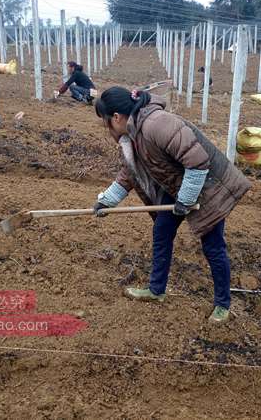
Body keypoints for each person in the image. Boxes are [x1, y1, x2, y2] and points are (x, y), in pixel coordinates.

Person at [92, 87, 251, 323]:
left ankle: (222, 305)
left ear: (116, 117)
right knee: (162, 231)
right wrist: (107, 201)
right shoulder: (133, 134)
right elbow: (129, 172)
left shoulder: (157, 124)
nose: (107, 128)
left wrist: (186, 200)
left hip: (208, 185)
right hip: (178, 185)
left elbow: (197, 163)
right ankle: (156, 291)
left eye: (106, 122)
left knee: (213, 246)